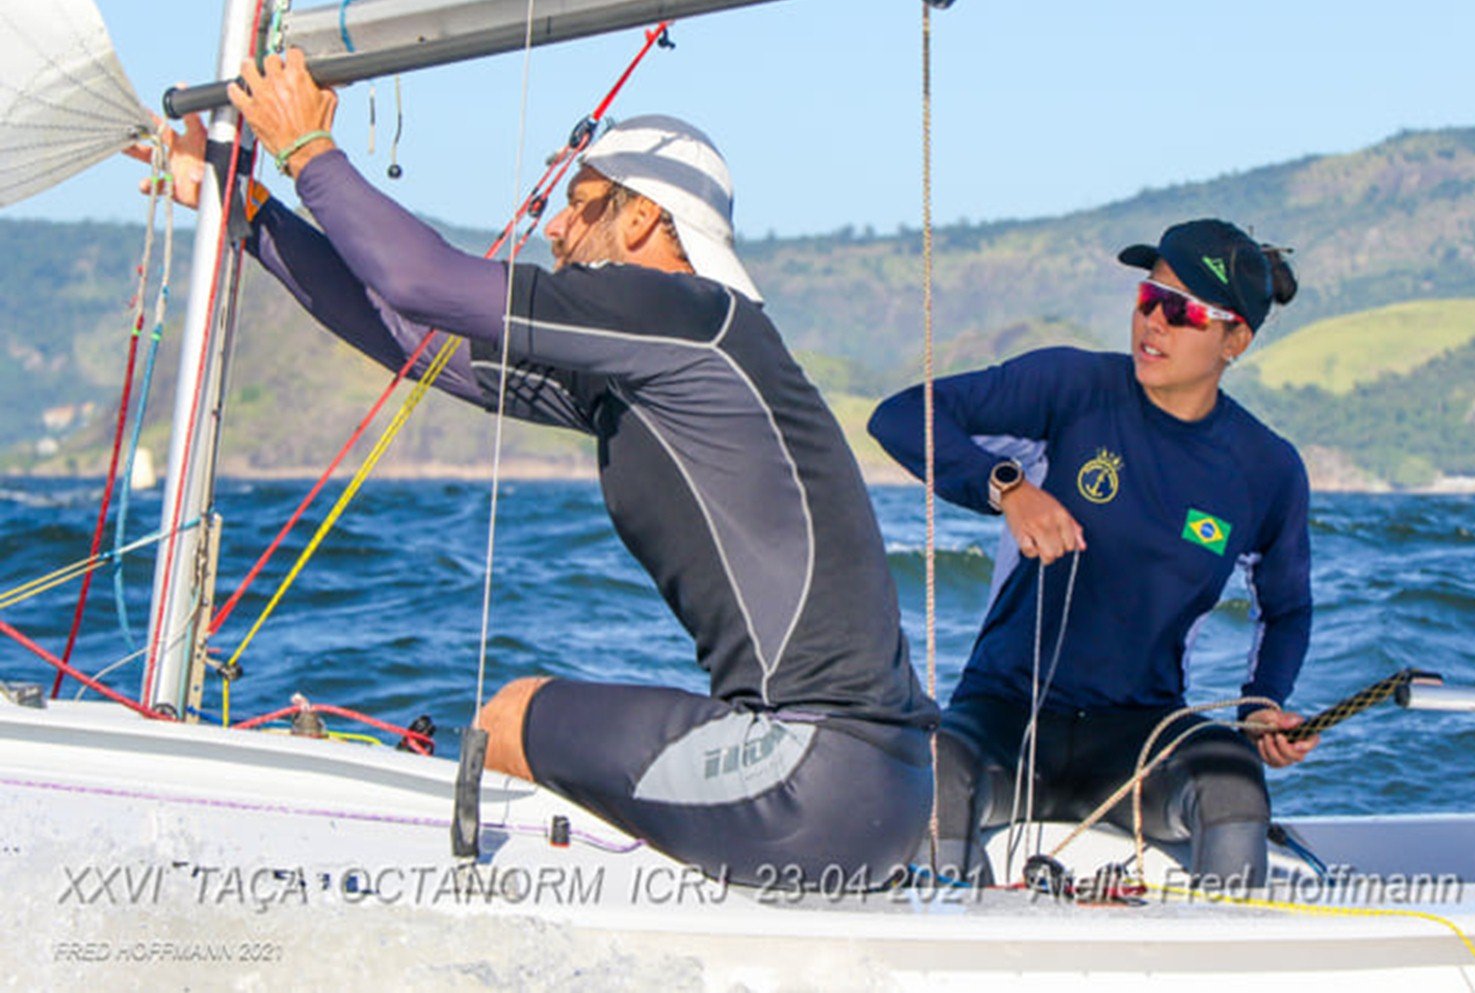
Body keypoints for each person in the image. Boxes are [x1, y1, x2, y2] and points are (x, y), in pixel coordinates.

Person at [144, 50, 937, 886]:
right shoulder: (661, 366)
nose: (554, 228)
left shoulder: (684, 313)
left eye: (579, 203)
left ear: (644, 219)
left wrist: (308, 148)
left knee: (512, 716)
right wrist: (246, 208)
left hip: (806, 776)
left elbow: (418, 281)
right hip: (881, 795)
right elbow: (415, 339)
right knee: (546, 740)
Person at [867, 219, 1316, 888]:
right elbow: (902, 415)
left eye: (1183, 310)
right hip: (1004, 721)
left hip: (1139, 736)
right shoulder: (1071, 387)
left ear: (1235, 340)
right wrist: (1009, 488)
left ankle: (1226, 937)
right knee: (934, 774)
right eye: (1149, 297)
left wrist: (1261, 703)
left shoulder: (1265, 468)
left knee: (1233, 779)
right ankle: (951, 930)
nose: (1154, 322)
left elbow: (1286, 609)